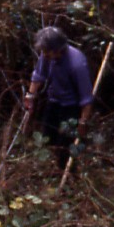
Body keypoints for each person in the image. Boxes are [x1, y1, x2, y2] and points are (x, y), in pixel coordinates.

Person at [23, 26, 93, 165]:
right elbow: (39, 75)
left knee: (65, 145)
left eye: (47, 52)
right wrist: (30, 95)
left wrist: (83, 121)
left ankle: (67, 173)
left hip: (71, 107)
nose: (44, 55)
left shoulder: (77, 64)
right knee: (48, 137)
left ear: (57, 50)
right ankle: (52, 169)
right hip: (53, 101)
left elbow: (86, 98)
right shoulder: (46, 54)